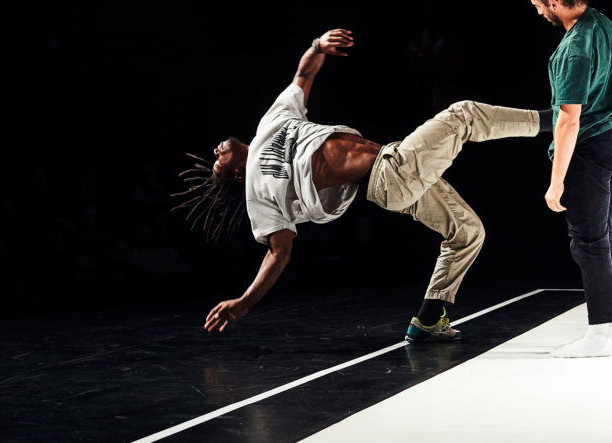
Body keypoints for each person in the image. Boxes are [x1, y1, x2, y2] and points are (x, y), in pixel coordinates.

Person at [173, 28, 543, 341]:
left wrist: (318, 46)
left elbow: (303, 76)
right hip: (389, 175)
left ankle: (429, 318)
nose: (216, 151)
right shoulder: (258, 192)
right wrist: (245, 302)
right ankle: (553, 122)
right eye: (217, 164)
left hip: (391, 165)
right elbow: (278, 252)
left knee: (467, 231)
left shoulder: (270, 123)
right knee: (463, 114)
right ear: (236, 175)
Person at [516, 0, 612, 358]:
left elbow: (568, 119)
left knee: (588, 242)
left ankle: (599, 335)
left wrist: (556, 182)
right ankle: (606, 327)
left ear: (554, 0)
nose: (537, 12)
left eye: (537, 4)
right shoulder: (603, 24)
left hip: (591, 148)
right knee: (601, 238)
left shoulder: (574, 48)